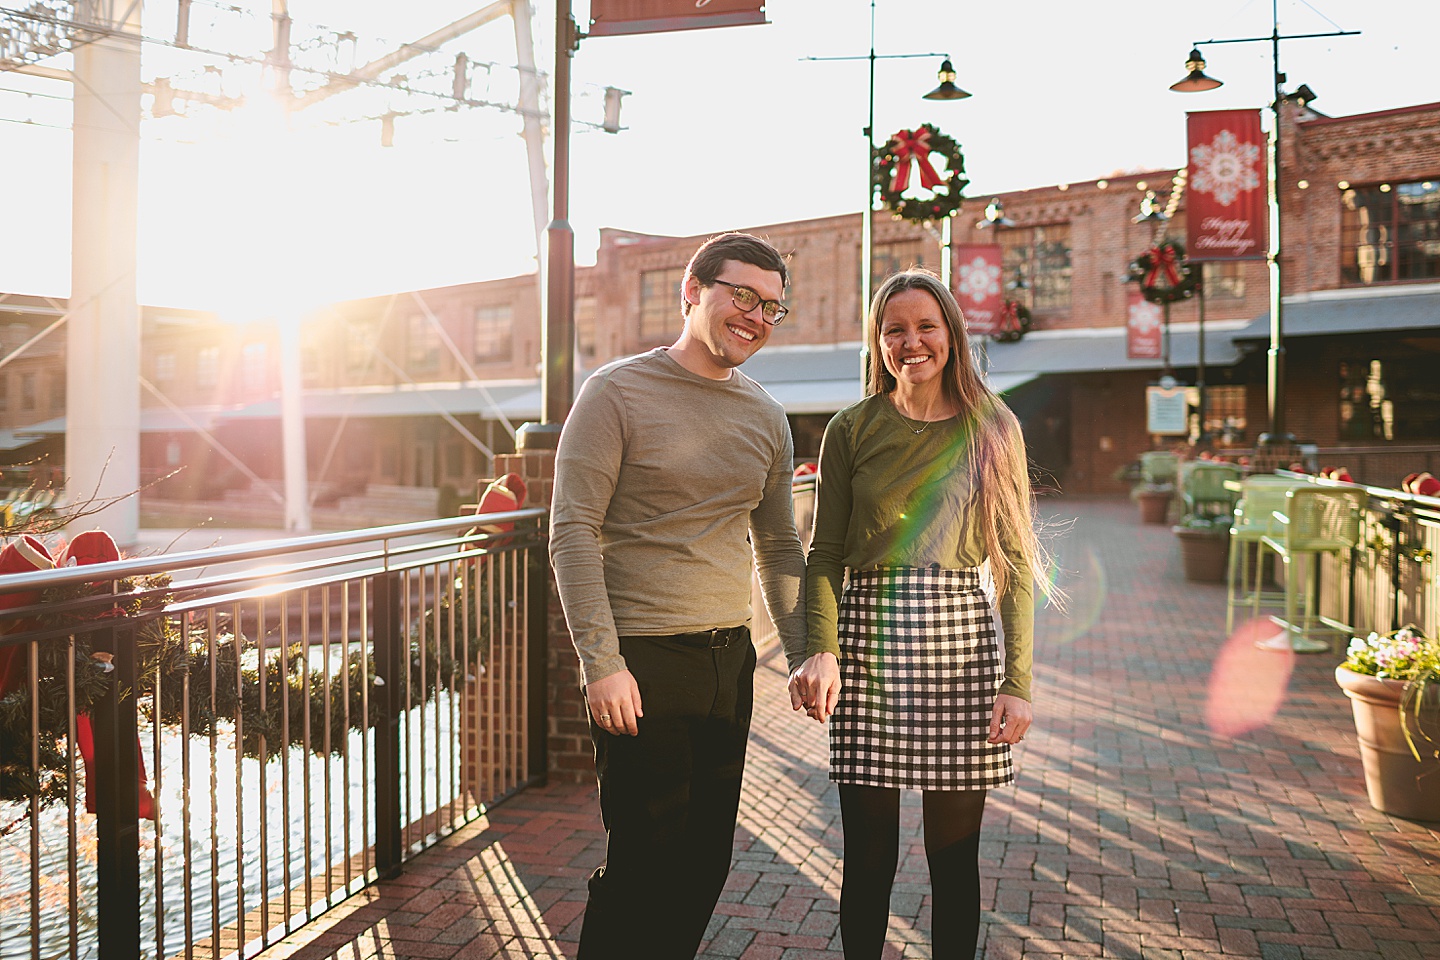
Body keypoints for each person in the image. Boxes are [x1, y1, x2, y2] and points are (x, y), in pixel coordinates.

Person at [550, 232, 808, 959]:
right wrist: (602, 662)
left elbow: (779, 544)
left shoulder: (764, 414)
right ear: (691, 291)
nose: (756, 316)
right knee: (645, 863)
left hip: (729, 664)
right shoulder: (616, 392)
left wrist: (802, 651)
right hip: (642, 661)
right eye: (743, 296)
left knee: (705, 861)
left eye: (773, 307)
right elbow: (572, 531)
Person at [788, 269, 1042, 958]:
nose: (911, 341)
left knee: (952, 862)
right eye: (894, 329)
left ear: (951, 335)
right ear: (879, 342)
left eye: (925, 326)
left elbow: (1014, 565)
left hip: (959, 647)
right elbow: (825, 553)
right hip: (866, 646)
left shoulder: (993, 426)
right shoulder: (851, 428)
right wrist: (822, 649)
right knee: (868, 861)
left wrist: (1016, 682)